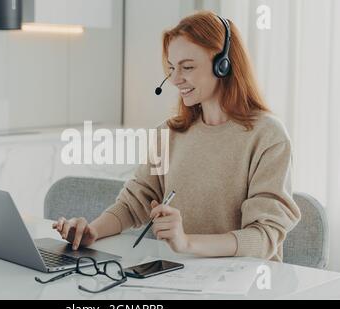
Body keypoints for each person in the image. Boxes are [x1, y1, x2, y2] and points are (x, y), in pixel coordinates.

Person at [52, 11, 301, 262]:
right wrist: (93, 231)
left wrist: (187, 242)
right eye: (171, 68)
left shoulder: (268, 136)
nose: (175, 79)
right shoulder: (168, 133)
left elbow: (263, 236)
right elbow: (134, 202)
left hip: (247, 285)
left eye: (188, 67)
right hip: (184, 278)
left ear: (223, 65)